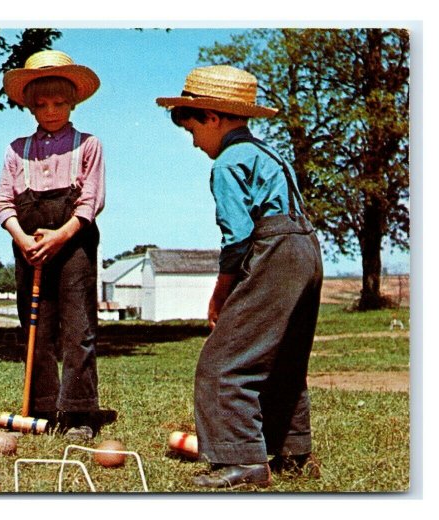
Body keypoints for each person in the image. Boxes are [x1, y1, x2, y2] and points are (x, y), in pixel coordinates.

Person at [156, 65, 323, 488]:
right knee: (281, 357)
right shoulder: (270, 153)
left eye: (192, 128)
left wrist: (220, 296)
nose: (194, 142)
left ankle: (243, 461)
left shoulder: (228, 162)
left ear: (212, 117)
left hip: (277, 252)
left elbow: (238, 239)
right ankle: (293, 450)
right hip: (307, 249)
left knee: (223, 362)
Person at [0, 50, 111, 440]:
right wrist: (24, 239)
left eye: (59, 103)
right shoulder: (17, 149)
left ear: (73, 102)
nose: (50, 111)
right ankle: (42, 407)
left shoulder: (88, 144)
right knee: (36, 327)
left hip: (74, 242)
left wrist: (60, 235)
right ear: (29, 106)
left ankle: (79, 413)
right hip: (29, 247)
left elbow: (91, 201)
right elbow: (3, 203)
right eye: (41, 104)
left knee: (77, 327)